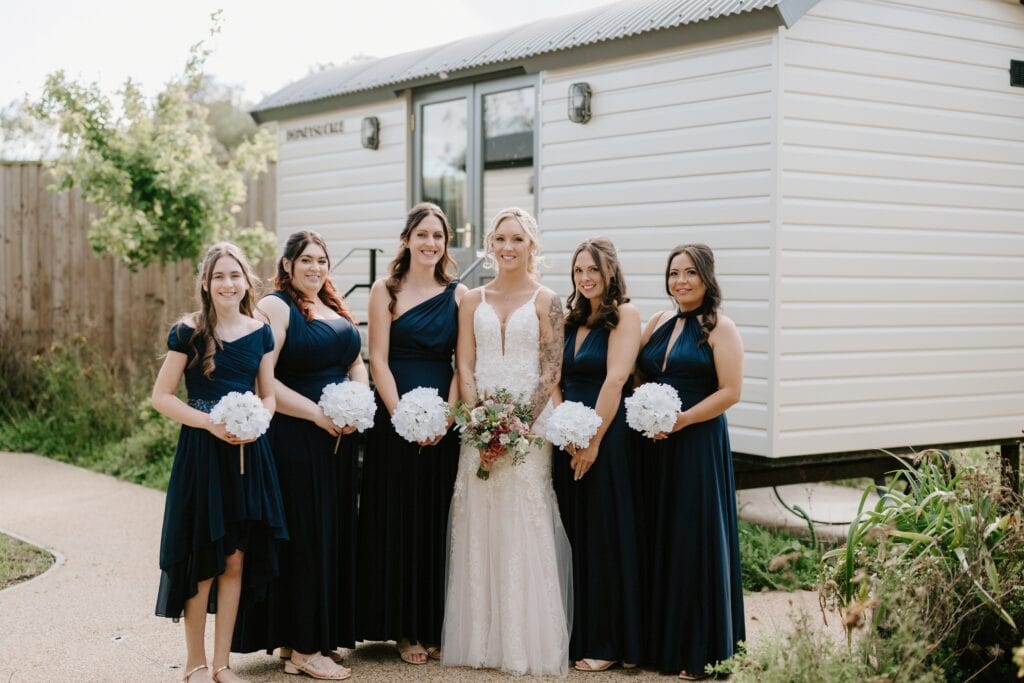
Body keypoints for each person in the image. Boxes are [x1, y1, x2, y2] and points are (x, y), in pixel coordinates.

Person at [441, 207, 573, 677]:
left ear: (531, 245)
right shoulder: (470, 299)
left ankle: (522, 642)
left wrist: (515, 425)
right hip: (478, 427)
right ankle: (480, 640)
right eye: (500, 239)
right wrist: (479, 423)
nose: (508, 247)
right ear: (490, 245)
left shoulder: (548, 300)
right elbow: (465, 364)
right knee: (480, 516)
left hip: (530, 430)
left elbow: (551, 370)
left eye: (517, 239)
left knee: (524, 517)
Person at [233, 231, 366, 681]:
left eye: (321, 260)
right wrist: (319, 415)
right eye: (305, 260)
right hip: (296, 437)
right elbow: (263, 381)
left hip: (339, 439)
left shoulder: (335, 306)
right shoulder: (275, 306)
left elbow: (356, 361)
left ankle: (300, 636)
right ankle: (306, 652)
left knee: (326, 534)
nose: (315, 267)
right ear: (287, 265)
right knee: (307, 536)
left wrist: (359, 402)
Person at [153, 242, 287, 683]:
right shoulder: (187, 332)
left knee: (235, 560)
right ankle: (194, 663)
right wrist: (211, 424)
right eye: (219, 277)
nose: (228, 284)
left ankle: (222, 664)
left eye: (235, 276)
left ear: (247, 281)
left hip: (250, 454)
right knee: (204, 558)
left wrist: (257, 421)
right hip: (203, 454)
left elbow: (267, 394)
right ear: (206, 285)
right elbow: (162, 397)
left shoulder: (260, 331)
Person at [356, 202, 467, 664]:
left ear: (445, 243)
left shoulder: (460, 295)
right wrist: (400, 413)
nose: (430, 243)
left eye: (437, 236)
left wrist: (448, 416)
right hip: (394, 412)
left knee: (437, 519)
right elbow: (376, 358)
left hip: (444, 416)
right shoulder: (386, 290)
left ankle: (434, 622)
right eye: (421, 234)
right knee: (397, 515)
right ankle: (403, 629)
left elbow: (464, 363)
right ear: (406, 240)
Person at [634, 243, 745, 679]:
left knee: (694, 539)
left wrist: (682, 420)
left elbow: (731, 390)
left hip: (697, 440)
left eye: (690, 273)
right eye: (674, 273)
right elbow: (639, 370)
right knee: (660, 535)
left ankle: (701, 652)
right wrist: (645, 408)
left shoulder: (720, 327)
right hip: (655, 443)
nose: (680, 281)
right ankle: (662, 645)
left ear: (707, 278)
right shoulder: (659, 321)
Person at [551, 238, 642, 672]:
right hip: (566, 436)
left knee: (605, 533)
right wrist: (562, 426)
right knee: (574, 534)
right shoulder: (570, 321)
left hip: (607, 438)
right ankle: (576, 634)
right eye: (578, 271)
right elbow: (553, 378)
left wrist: (592, 442)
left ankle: (608, 640)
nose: (585, 278)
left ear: (611, 272)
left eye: (593, 270)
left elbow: (616, 379)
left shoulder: (625, 315)